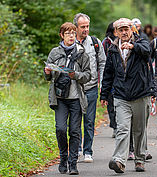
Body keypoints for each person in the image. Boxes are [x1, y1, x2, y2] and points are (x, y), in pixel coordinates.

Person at [100, 18, 153, 173]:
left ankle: (139, 159)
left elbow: (147, 51)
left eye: (126, 29)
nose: (124, 32)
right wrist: (104, 94)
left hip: (140, 94)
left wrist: (133, 46)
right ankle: (119, 160)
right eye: (120, 30)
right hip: (121, 96)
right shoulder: (113, 49)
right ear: (116, 32)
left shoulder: (141, 42)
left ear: (131, 30)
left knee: (139, 130)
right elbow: (108, 73)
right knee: (122, 129)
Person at [44, 22, 91, 175]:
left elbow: (88, 76)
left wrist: (76, 75)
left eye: (72, 33)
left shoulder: (82, 53)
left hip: (76, 98)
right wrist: (47, 72)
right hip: (60, 98)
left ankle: (73, 164)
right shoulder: (54, 52)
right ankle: (63, 157)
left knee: (75, 131)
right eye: (67, 33)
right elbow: (47, 77)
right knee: (61, 129)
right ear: (62, 36)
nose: (71, 36)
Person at [73, 13, 106, 163]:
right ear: (76, 28)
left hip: (91, 87)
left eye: (87, 26)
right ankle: (77, 149)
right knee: (74, 120)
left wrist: (102, 85)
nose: (86, 29)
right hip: (74, 89)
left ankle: (88, 151)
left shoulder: (95, 42)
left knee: (89, 121)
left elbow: (102, 63)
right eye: (83, 27)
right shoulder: (69, 42)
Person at [102, 22, 117, 138]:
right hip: (109, 75)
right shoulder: (105, 43)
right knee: (111, 104)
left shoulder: (123, 41)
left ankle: (121, 126)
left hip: (120, 77)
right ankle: (114, 126)